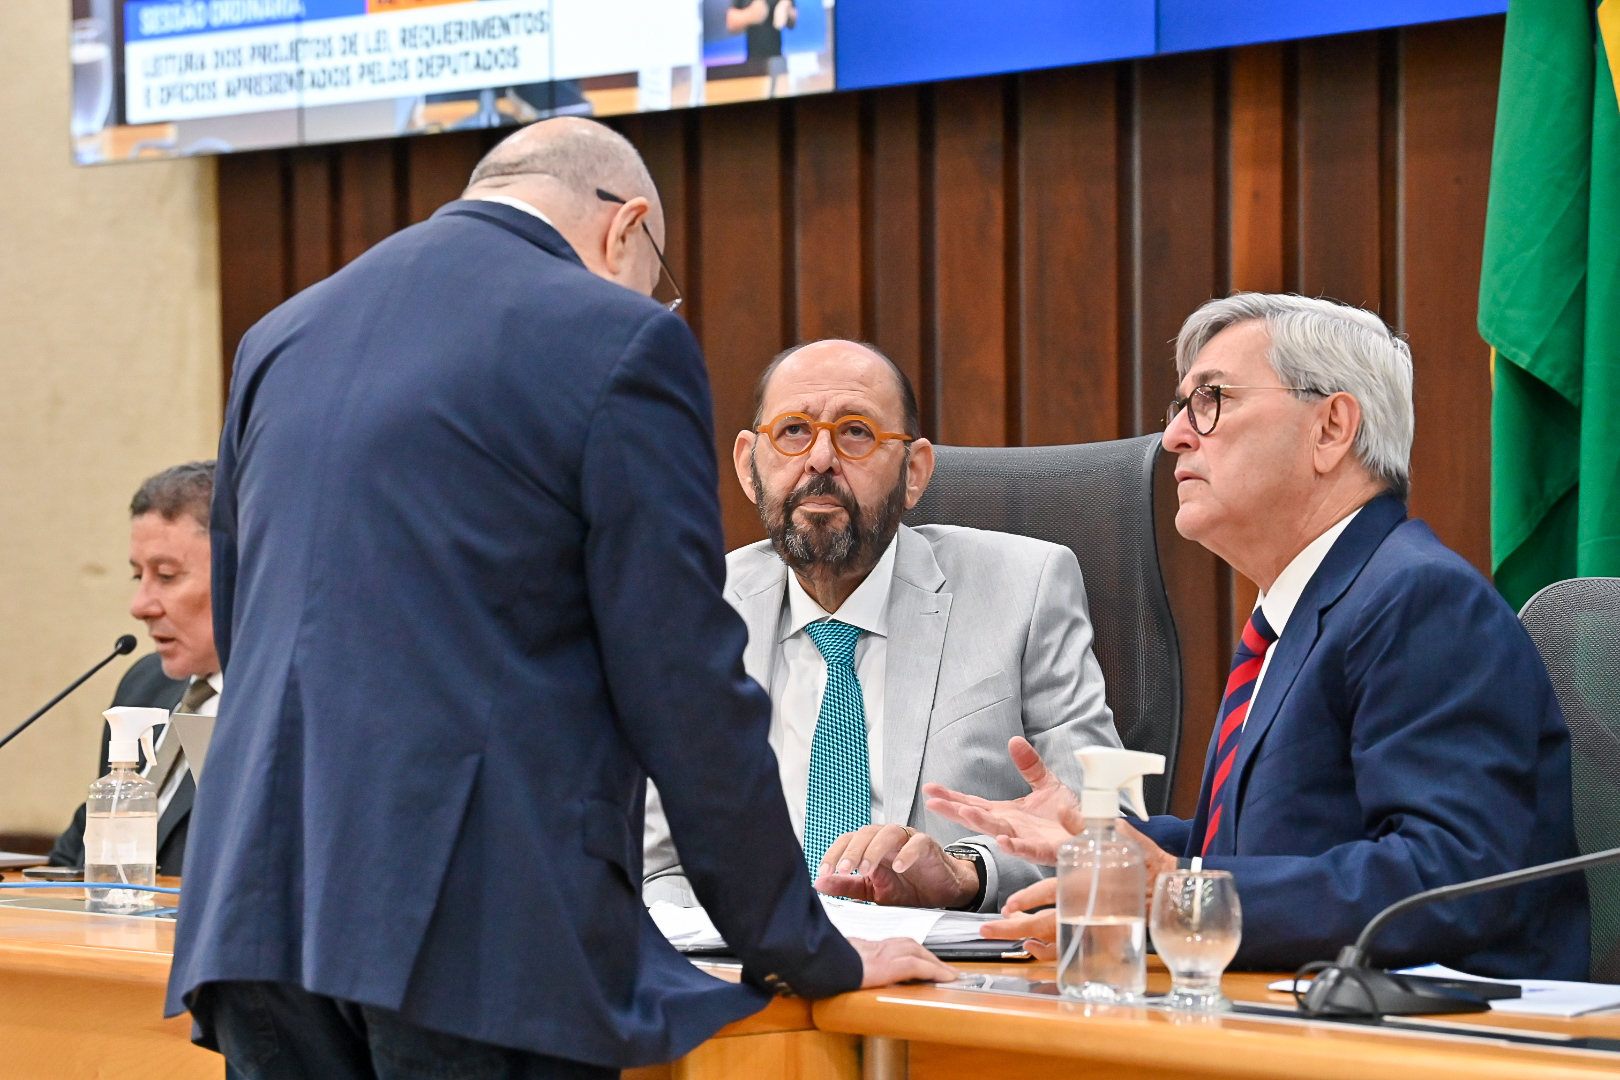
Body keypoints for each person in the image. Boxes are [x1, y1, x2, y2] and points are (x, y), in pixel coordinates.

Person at [167, 117, 950, 1080]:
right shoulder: (618, 339)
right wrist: (804, 948)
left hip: (258, 910)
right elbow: (682, 682)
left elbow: (244, 624)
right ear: (626, 227)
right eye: (656, 272)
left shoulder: (282, 334)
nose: (652, 298)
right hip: (475, 932)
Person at [927, 293, 1589, 979]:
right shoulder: (1302, 612)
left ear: (1331, 428)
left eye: (1211, 400)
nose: (1175, 436)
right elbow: (1267, 850)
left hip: (1447, 1026)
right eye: (1180, 407)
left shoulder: (1419, 599)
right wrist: (1106, 843)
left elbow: (1452, 878)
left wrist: (1173, 894)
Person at [643, 339, 1118, 914]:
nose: (820, 459)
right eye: (793, 431)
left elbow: (1106, 824)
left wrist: (967, 873)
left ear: (913, 473)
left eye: (856, 432)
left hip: (950, 961)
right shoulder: (692, 611)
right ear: (749, 466)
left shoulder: (1025, 587)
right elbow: (657, 862)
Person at [48, 461, 222, 877]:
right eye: (137, 575)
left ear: (242, 574)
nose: (140, 606)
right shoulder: (147, 684)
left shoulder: (294, 709)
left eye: (166, 575)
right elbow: (75, 857)